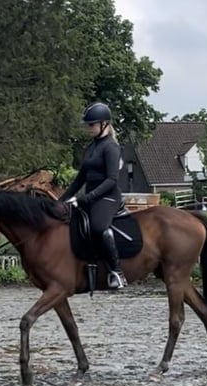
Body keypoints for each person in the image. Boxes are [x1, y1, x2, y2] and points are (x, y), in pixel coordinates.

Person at [60, 102, 127, 290]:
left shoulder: (111, 148)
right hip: (91, 196)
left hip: (108, 196)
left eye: (92, 124)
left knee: (98, 227)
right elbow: (80, 179)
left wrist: (86, 198)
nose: (88, 128)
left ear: (104, 124)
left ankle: (116, 272)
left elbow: (111, 180)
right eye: (88, 125)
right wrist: (61, 200)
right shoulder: (91, 147)